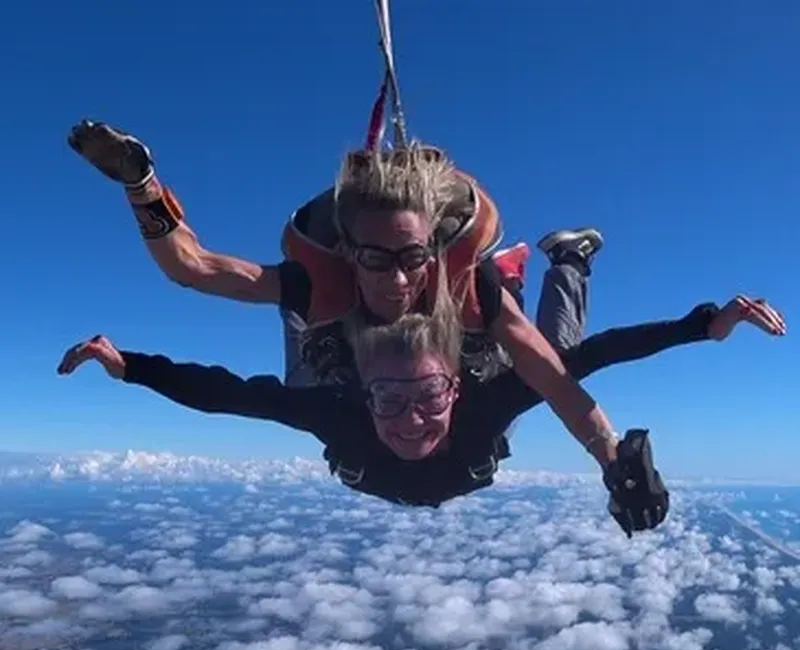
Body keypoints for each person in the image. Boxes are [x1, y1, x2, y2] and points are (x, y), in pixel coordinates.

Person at [66, 120, 631, 479]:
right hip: (356, 381)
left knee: (554, 355)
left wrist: (610, 458)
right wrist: (140, 184)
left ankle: (569, 261)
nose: (399, 281)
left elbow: (557, 382)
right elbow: (190, 268)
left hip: (465, 382)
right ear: (351, 253)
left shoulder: (467, 289)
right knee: (309, 357)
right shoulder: (318, 285)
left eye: (412, 258)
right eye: (376, 260)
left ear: (433, 253)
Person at [56, 284, 784, 533]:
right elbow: (225, 395)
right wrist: (129, 368)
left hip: (447, 421)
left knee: (547, 357)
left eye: (428, 396)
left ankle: (571, 260)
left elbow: (593, 358)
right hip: (354, 406)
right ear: (366, 393)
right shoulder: (340, 411)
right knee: (304, 374)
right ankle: (315, 305)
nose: (409, 418)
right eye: (391, 400)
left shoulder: (475, 405)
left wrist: (704, 326)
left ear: (456, 389)